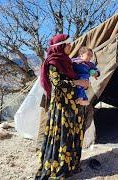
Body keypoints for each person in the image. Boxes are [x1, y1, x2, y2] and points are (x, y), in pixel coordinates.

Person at [36, 34, 89, 179]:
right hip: (62, 105)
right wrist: (77, 83)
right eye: (68, 44)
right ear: (60, 46)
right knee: (63, 134)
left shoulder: (67, 61)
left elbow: (76, 76)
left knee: (73, 133)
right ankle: (59, 166)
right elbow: (57, 83)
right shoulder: (54, 62)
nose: (70, 47)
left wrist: (84, 82)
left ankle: (71, 164)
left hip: (73, 104)